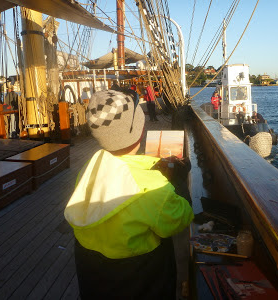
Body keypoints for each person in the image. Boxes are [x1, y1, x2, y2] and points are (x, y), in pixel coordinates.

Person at [64, 89, 194, 299]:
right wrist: (178, 180)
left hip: (94, 282)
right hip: (142, 282)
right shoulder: (153, 187)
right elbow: (181, 218)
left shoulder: (89, 169)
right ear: (140, 130)